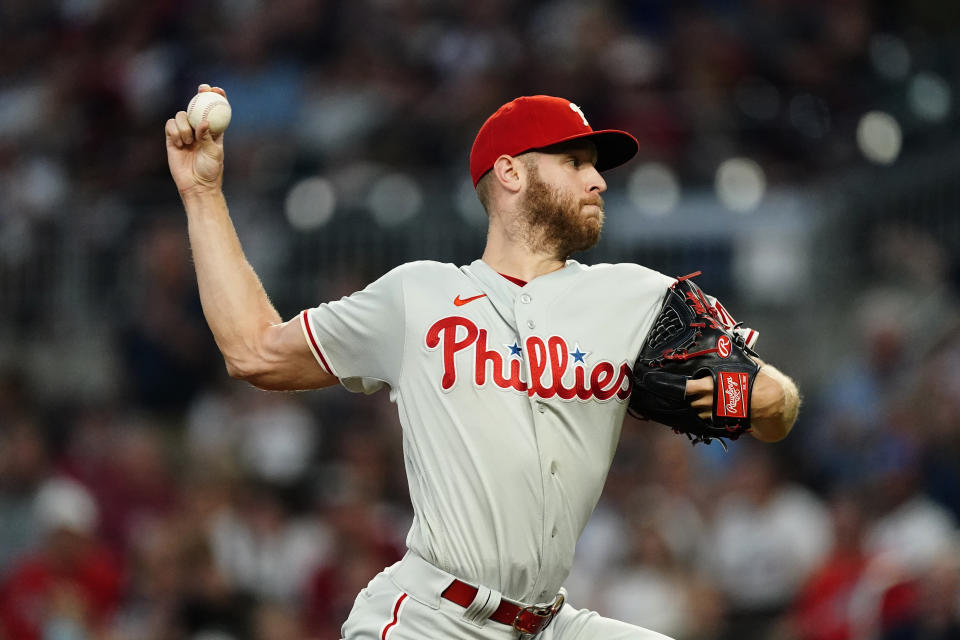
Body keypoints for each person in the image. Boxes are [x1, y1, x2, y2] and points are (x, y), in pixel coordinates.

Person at [165, 86, 800, 639]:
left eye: (596, 167)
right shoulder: (417, 295)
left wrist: (764, 400)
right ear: (511, 173)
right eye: (575, 161)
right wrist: (202, 193)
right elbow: (252, 351)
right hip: (430, 619)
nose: (598, 179)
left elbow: (775, 403)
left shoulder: (636, 298)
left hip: (549, 623)